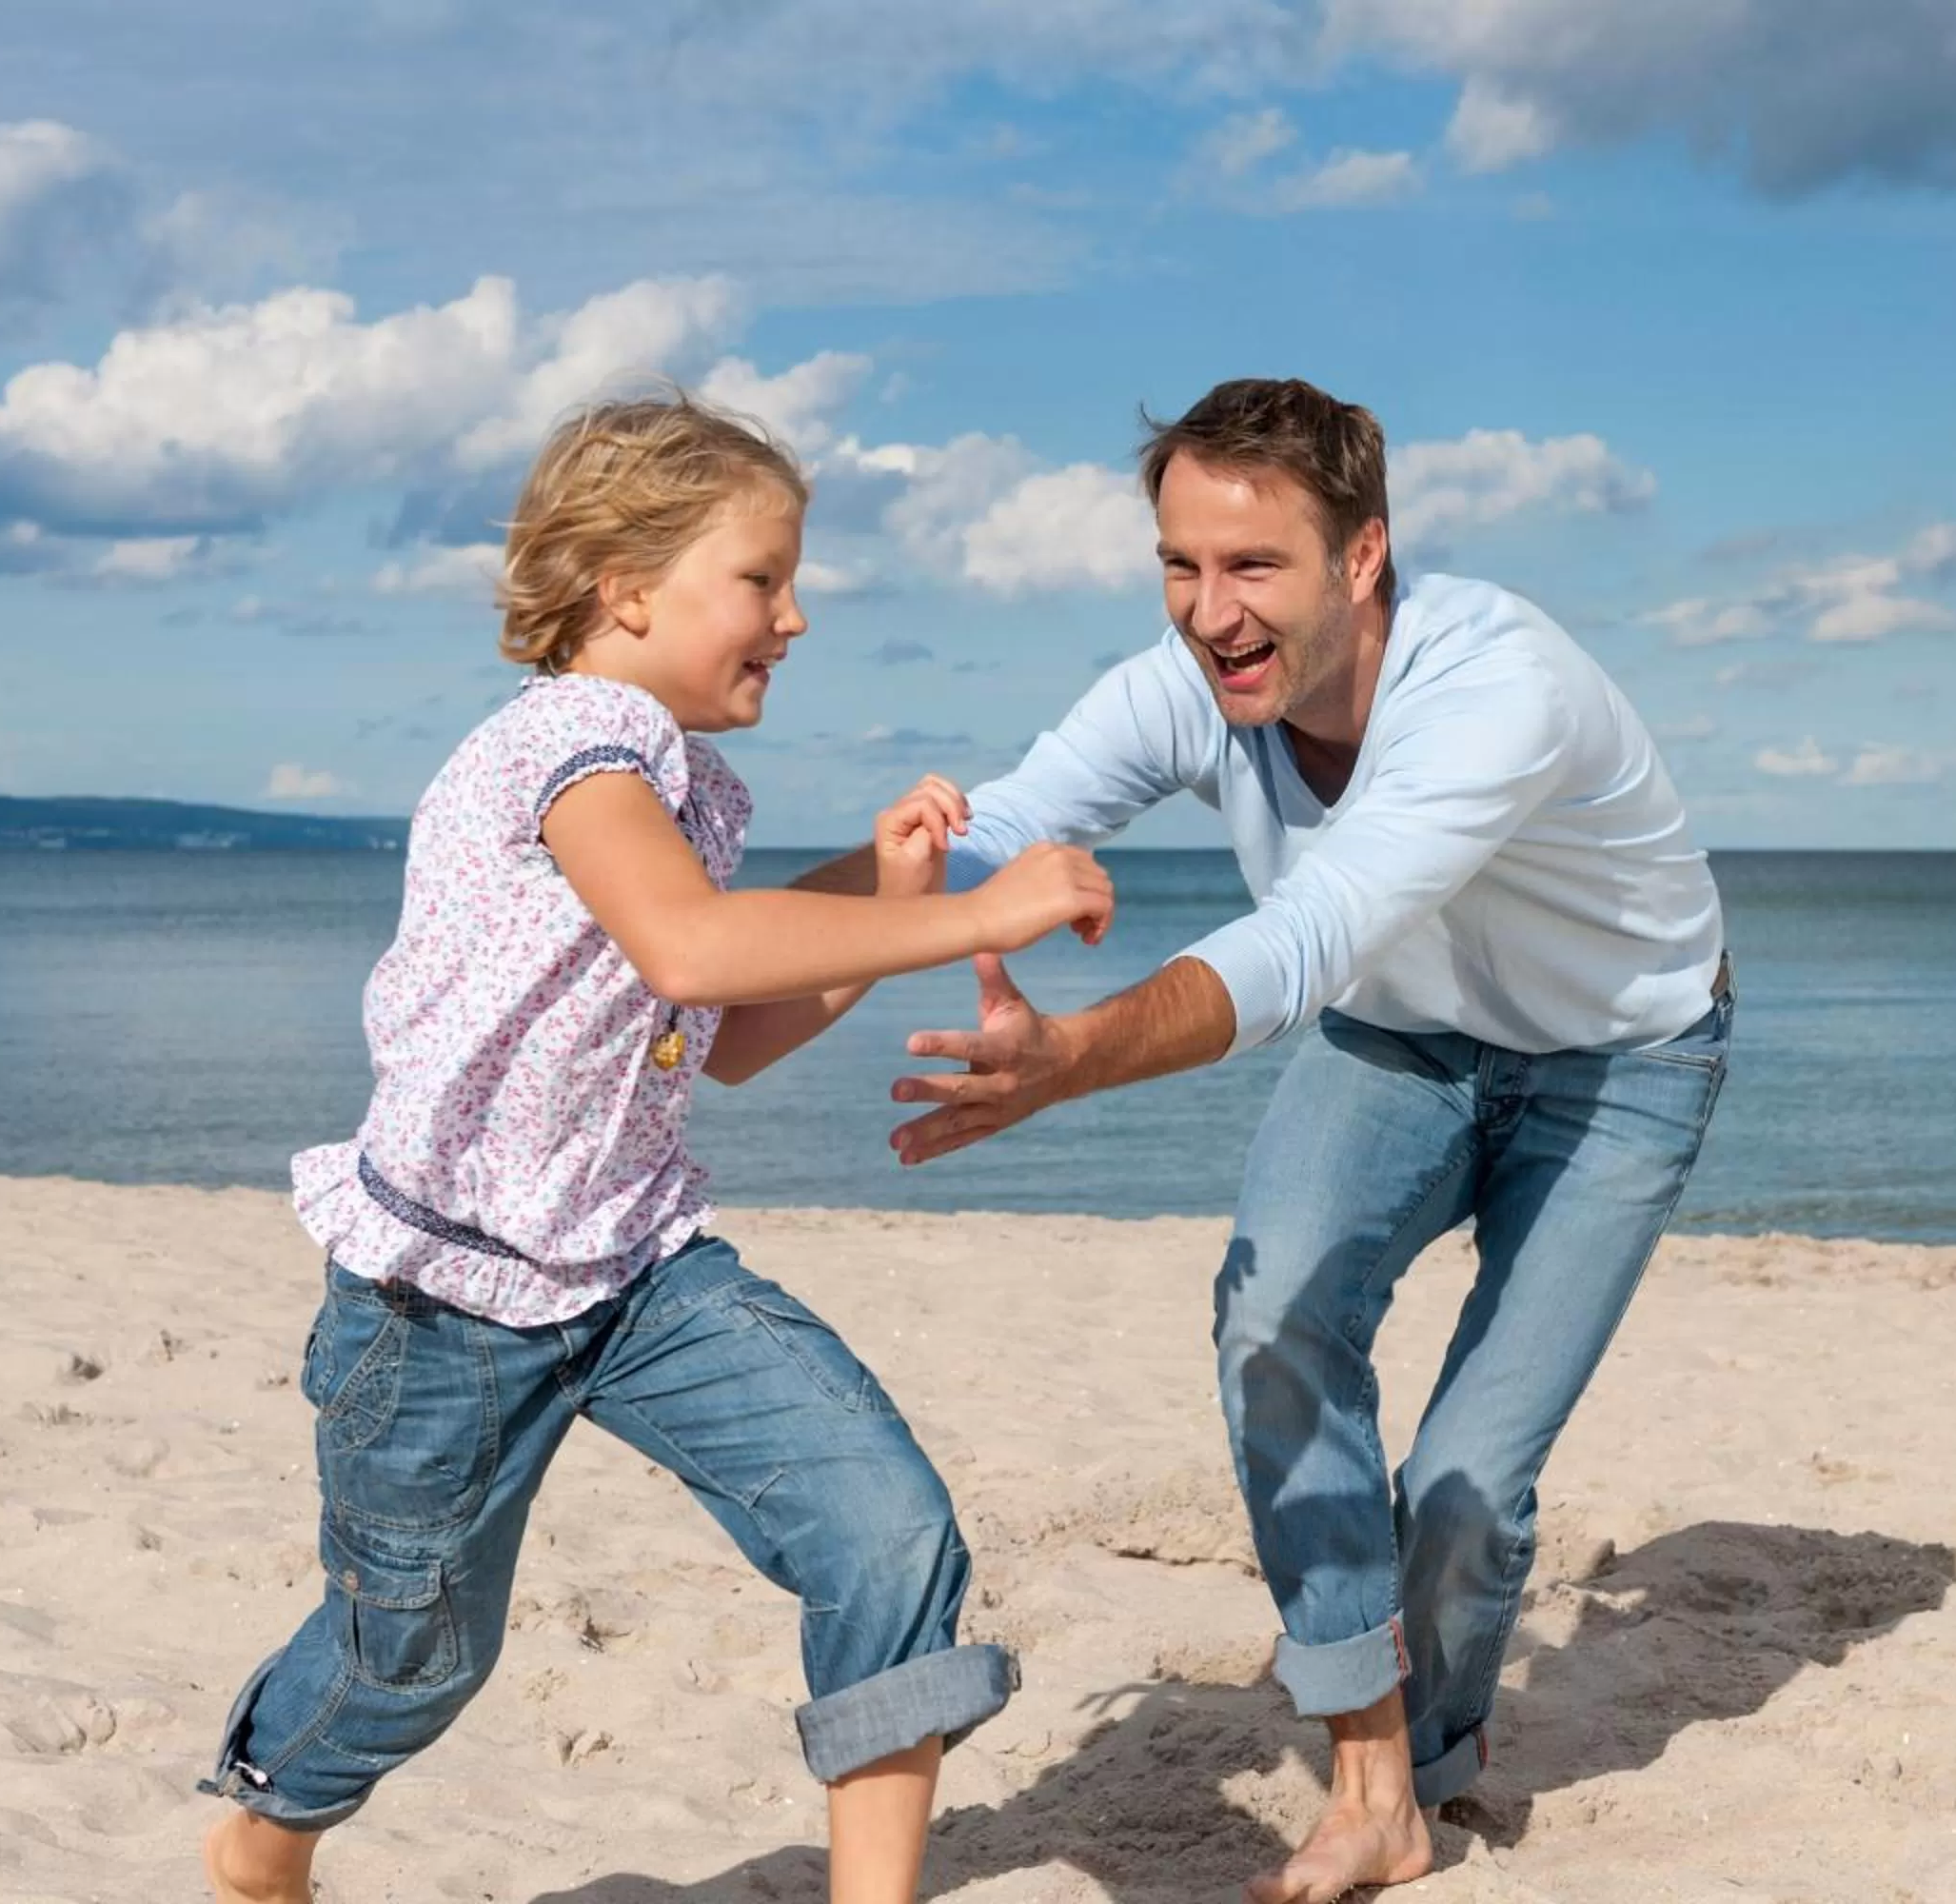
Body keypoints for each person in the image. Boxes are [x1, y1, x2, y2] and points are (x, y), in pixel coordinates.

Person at [196, 389, 1115, 1904]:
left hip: (637, 1272)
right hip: (443, 1310)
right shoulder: (578, 743)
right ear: (626, 587)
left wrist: (884, 896)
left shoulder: (674, 785)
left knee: (885, 1530)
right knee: (413, 1664)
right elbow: (693, 950)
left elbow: (726, 1033)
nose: (798, 616)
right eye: (762, 578)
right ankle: (262, 1834)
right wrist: (981, 910)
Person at [879, 378, 1730, 1902]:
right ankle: (1375, 1778)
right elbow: (1004, 831)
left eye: (1253, 566)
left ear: (1362, 557)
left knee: (1468, 1482)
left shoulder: (1494, 688)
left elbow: (1308, 936)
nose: (1210, 614)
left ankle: (1435, 1764)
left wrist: (1068, 1060)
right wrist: (827, 898)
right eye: (1179, 566)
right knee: (1276, 1324)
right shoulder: (1186, 683)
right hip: (1401, 1039)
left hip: (1622, 1058)